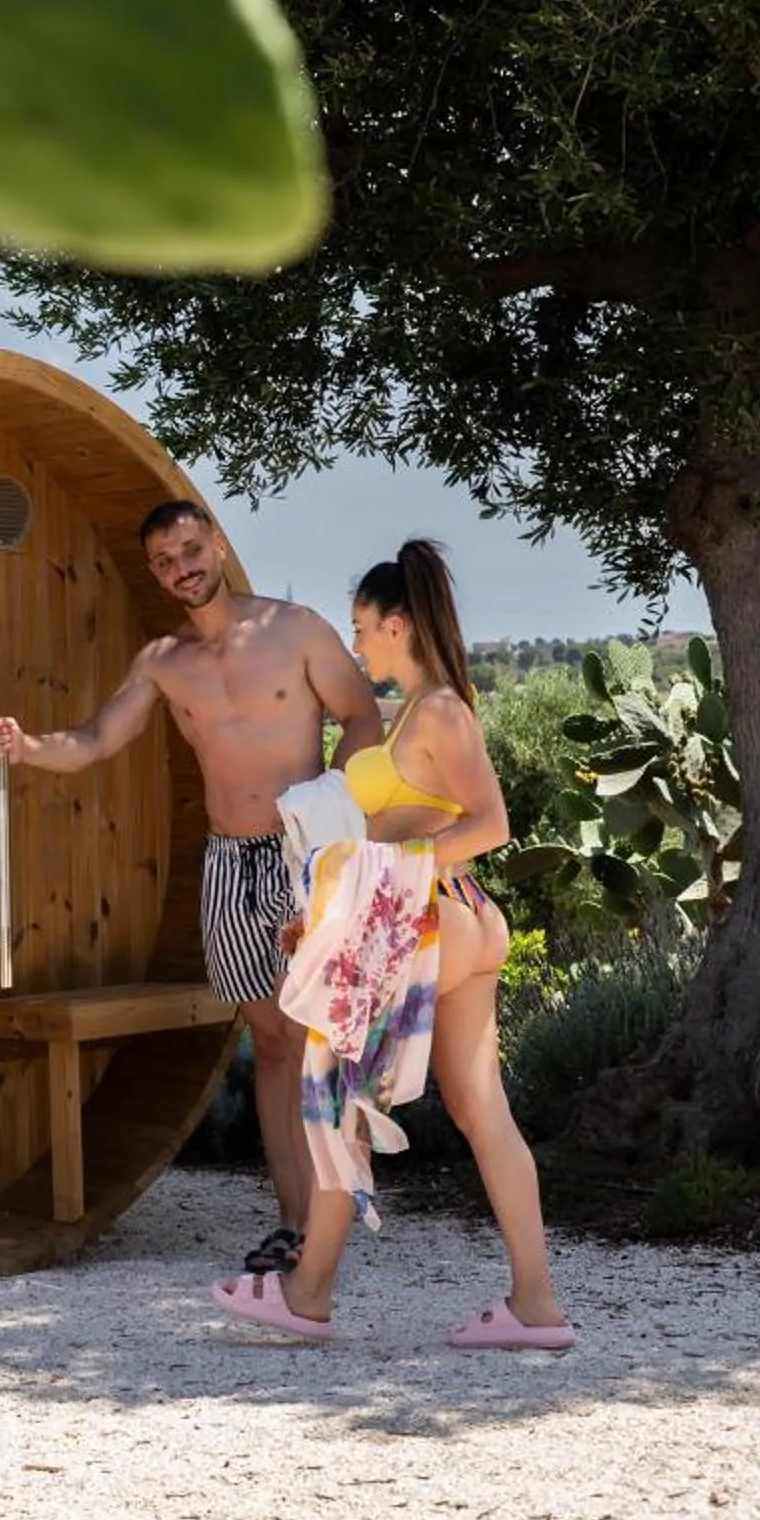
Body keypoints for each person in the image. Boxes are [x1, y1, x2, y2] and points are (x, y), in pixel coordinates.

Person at [0, 498, 382, 1271]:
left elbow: (363, 718)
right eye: (165, 562)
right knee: (271, 1044)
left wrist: (329, 807)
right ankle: (294, 1223)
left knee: (309, 1038)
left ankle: (336, 1208)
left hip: (302, 852)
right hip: (227, 864)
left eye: (191, 551)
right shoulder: (164, 661)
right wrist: (28, 746)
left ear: (218, 544)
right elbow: (96, 739)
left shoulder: (295, 630)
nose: (182, 569)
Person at [211, 538, 574, 1348]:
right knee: (480, 1110)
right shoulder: (418, 711)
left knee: (338, 1100)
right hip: (447, 920)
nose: (356, 644)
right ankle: (536, 1306)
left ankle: (308, 1294)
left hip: (428, 921)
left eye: (361, 627)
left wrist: (390, 869)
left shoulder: (439, 710)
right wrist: (339, 897)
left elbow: (491, 824)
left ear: (398, 626)